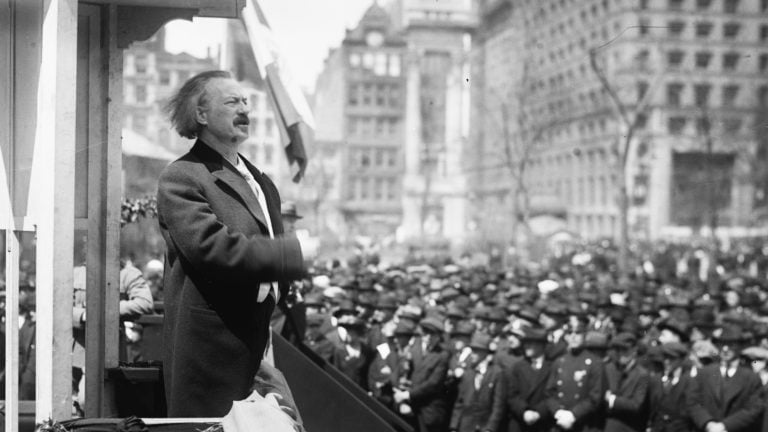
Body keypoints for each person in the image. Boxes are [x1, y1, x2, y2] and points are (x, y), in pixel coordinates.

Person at [157, 70, 312, 417]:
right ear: (201, 115)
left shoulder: (261, 181)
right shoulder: (181, 177)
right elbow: (211, 248)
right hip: (212, 351)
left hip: (259, 344)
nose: (245, 110)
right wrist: (291, 254)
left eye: (246, 102)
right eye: (232, 102)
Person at [687, 325, 764, 432]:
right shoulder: (704, 373)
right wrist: (708, 423)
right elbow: (693, 402)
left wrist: (724, 426)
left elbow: (753, 409)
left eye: (731, 344)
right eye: (722, 344)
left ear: (740, 347)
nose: (725, 349)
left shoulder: (751, 378)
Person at [449, 332, 505, 432]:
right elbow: (460, 402)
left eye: (476, 351)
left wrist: (490, 428)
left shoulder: (496, 373)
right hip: (466, 426)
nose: (472, 355)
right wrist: (454, 426)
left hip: (485, 426)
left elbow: (498, 405)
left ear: (484, 353)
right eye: (472, 351)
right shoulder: (468, 373)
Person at [505, 327, 553, 432]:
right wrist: (524, 411)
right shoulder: (517, 367)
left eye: (531, 343)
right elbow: (511, 394)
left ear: (542, 345)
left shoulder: (552, 367)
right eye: (525, 343)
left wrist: (539, 412)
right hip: (519, 422)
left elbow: (553, 394)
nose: (526, 346)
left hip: (542, 423)